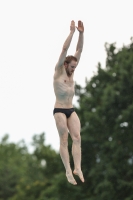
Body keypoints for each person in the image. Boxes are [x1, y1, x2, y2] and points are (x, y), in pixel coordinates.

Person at [53, 20, 84, 185]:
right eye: (72, 67)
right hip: (59, 110)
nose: (73, 70)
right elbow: (65, 49)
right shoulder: (59, 70)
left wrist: (81, 34)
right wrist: (71, 32)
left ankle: (77, 167)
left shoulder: (72, 70)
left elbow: (79, 50)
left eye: (75, 67)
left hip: (70, 109)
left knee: (77, 137)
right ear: (65, 64)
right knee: (64, 139)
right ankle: (67, 170)